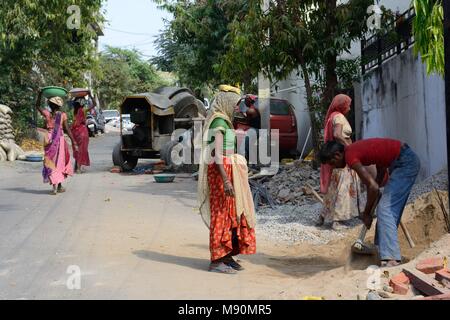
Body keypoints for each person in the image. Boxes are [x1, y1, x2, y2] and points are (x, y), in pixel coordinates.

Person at [318, 138, 420, 267]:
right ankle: (380, 251)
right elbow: (381, 163)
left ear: (338, 155)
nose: (333, 167)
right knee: (386, 209)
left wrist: (366, 213)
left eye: (332, 163)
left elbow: (372, 187)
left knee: (385, 208)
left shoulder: (350, 156)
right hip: (401, 160)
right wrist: (376, 185)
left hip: (405, 162)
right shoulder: (354, 150)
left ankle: (391, 259)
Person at [198, 88, 257, 274]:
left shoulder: (224, 119)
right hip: (221, 172)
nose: (238, 108)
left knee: (231, 213)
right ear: (226, 103)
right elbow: (216, 154)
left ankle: (227, 255)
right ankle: (216, 260)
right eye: (235, 104)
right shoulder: (219, 121)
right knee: (221, 214)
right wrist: (226, 181)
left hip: (227, 170)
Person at [318, 94, 363, 230]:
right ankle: (337, 220)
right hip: (342, 157)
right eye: (348, 105)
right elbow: (337, 134)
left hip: (337, 156)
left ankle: (322, 216)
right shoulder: (338, 117)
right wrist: (349, 147)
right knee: (343, 188)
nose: (349, 108)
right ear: (342, 105)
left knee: (333, 188)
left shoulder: (332, 116)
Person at [35, 91, 78, 195]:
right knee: (60, 163)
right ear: (59, 106)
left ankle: (56, 187)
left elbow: (37, 105)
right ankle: (58, 186)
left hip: (49, 140)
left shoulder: (47, 114)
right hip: (59, 140)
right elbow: (67, 128)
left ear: (50, 105)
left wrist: (40, 94)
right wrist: (74, 141)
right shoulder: (62, 115)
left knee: (51, 162)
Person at [70, 94, 95, 173]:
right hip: (82, 131)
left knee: (77, 149)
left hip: (74, 132)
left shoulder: (73, 112)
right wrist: (90, 95)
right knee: (82, 149)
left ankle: (76, 167)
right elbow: (94, 104)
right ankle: (78, 168)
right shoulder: (83, 110)